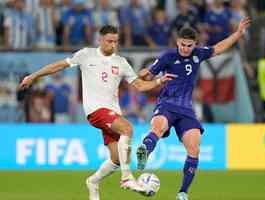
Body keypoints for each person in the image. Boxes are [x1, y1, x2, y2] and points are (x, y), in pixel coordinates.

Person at [19, 25, 176, 200]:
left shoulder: (121, 62)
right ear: (100, 40)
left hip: (113, 112)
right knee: (128, 129)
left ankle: (93, 182)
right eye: (109, 41)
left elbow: (139, 85)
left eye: (116, 41)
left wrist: (159, 81)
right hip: (95, 110)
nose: (113, 45)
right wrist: (34, 76)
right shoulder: (86, 54)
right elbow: (58, 66)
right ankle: (127, 178)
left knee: (117, 159)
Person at [136, 18, 251, 200]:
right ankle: (144, 153)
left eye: (189, 45)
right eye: (182, 45)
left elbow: (219, 48)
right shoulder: (168, 56)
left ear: (195, 44)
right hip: (167, 103)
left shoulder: (199, 54)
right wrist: (144, 73)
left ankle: (183, 193)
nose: (185, 49)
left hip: (186, 110)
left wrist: (238, 33)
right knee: (158, 128)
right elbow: (147, 77)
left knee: (194, 149)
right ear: (177, 42)